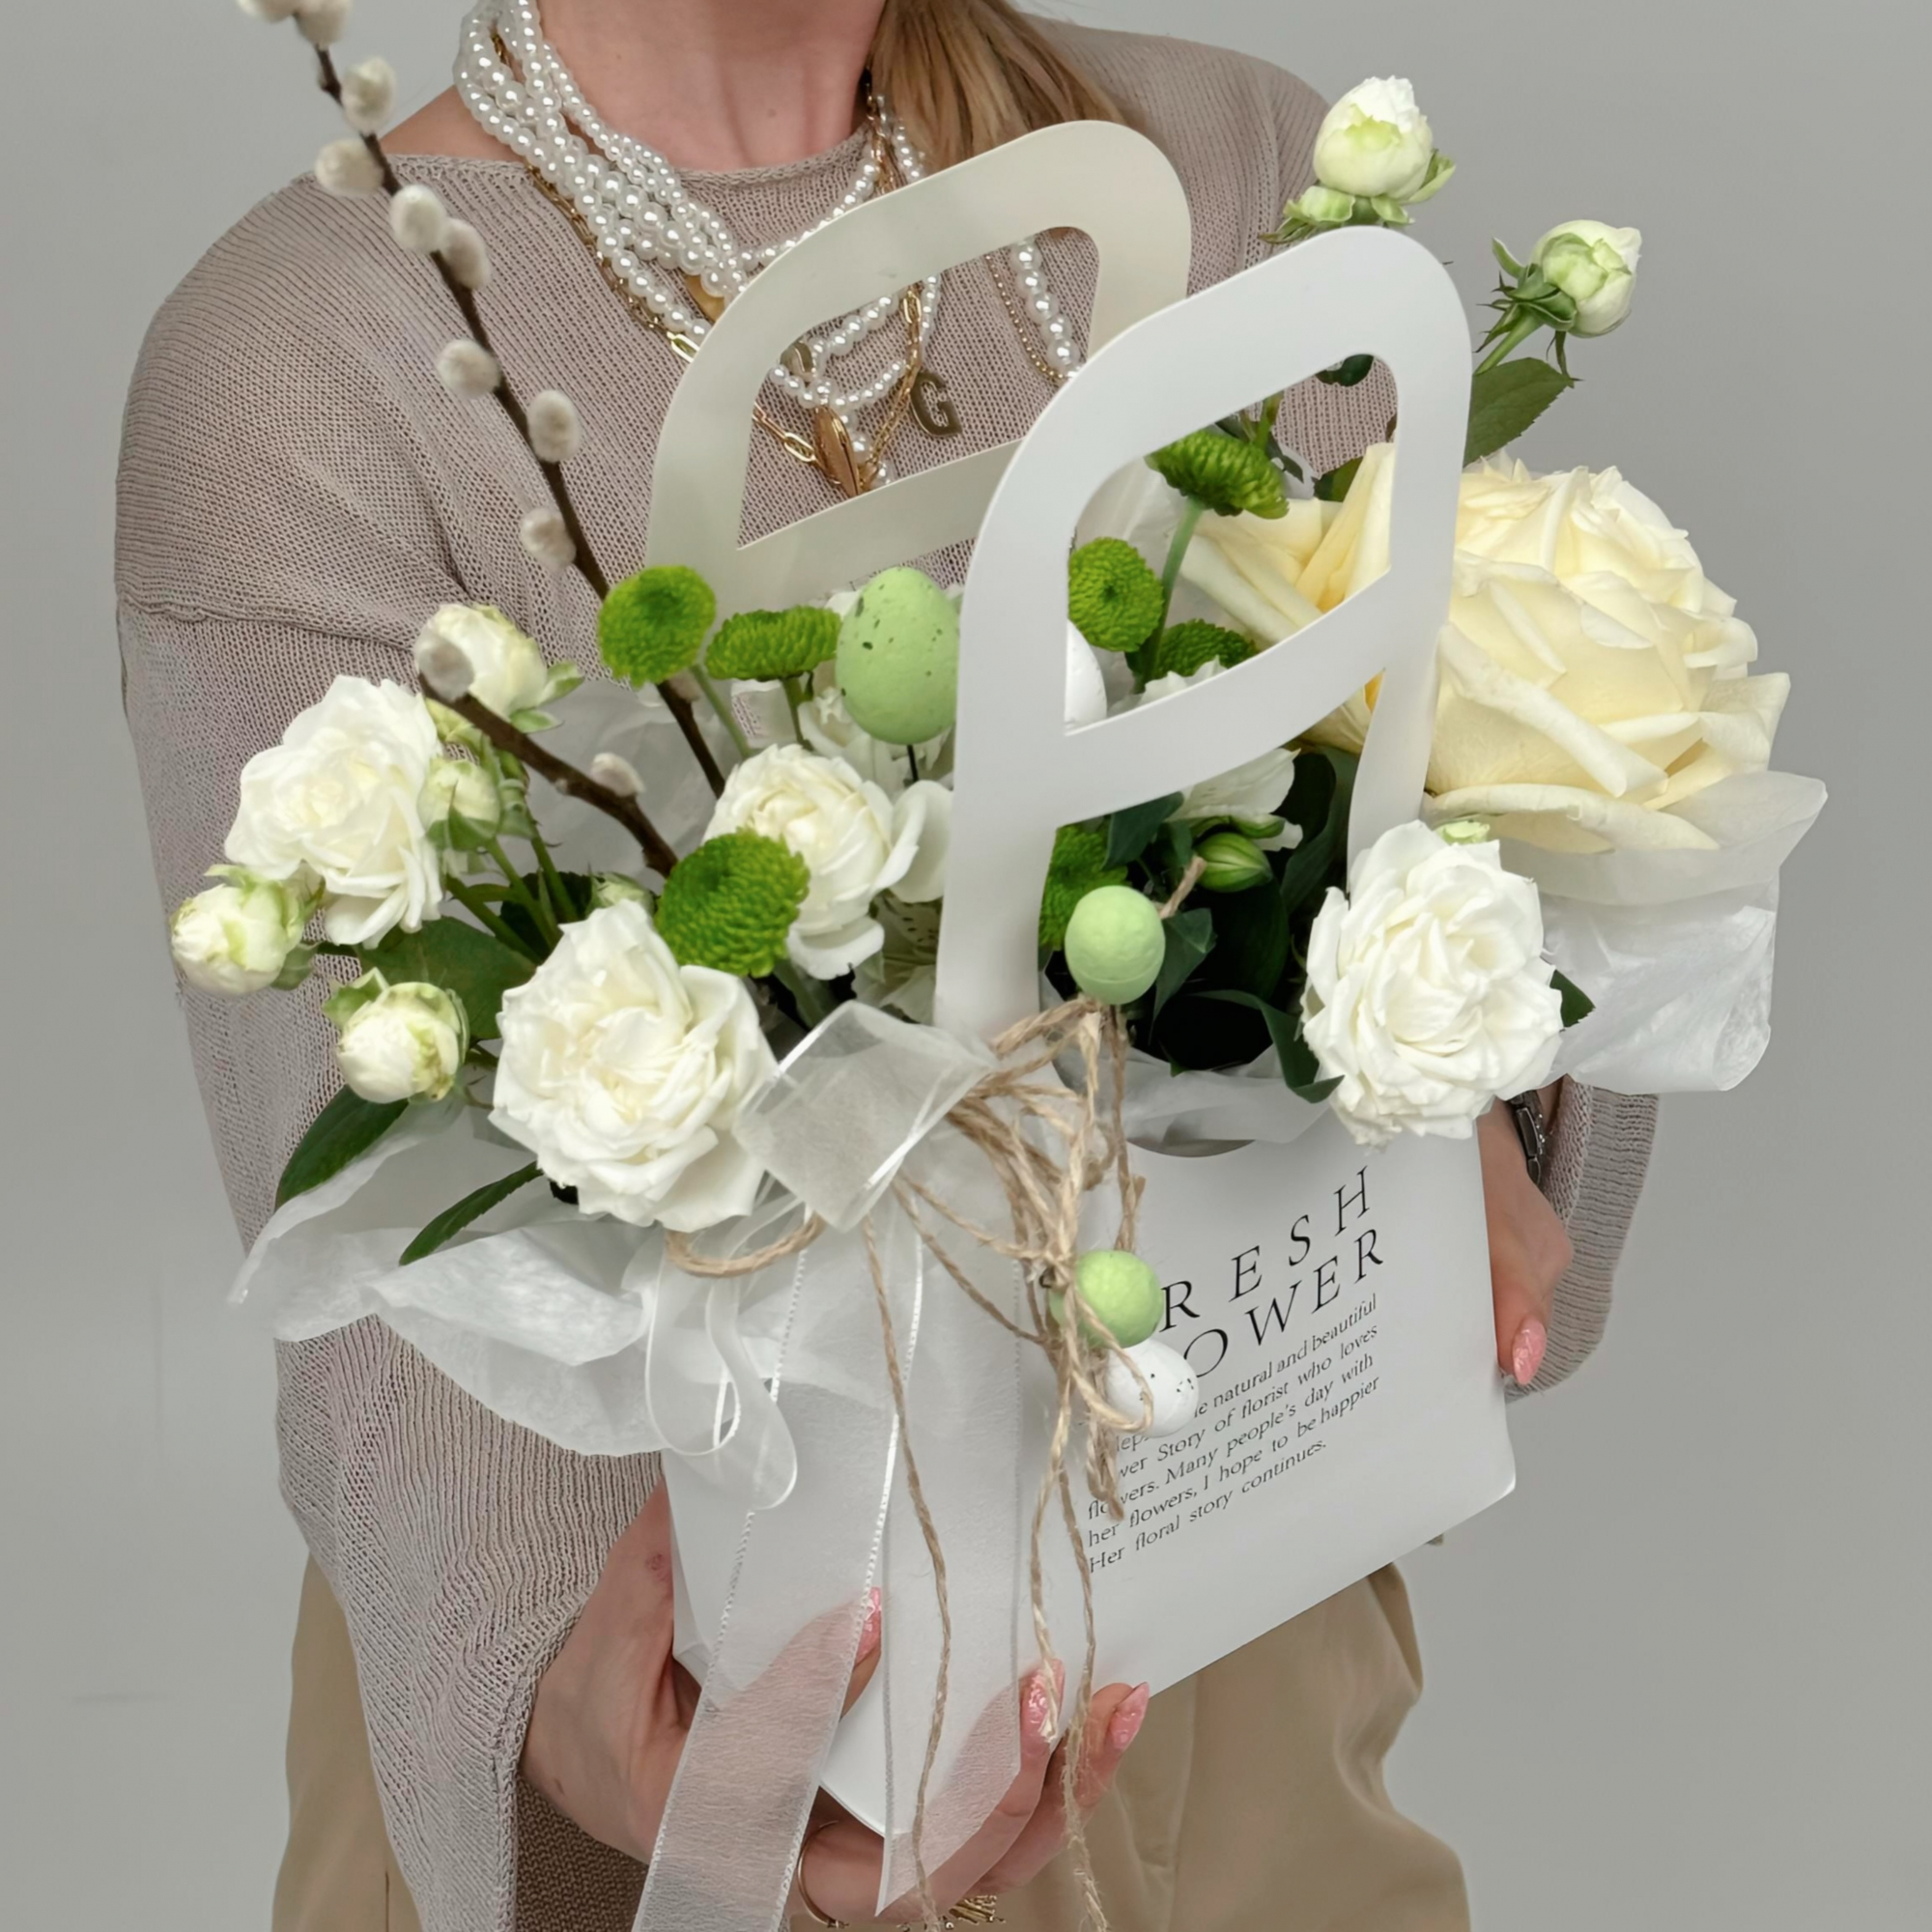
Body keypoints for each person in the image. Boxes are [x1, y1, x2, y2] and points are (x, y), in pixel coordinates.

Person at [116, 2, 1657, 1927]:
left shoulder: (1236, 168)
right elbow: (375, 1251)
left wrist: (1468, 1095)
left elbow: (1487, 813)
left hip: (1230, 1661)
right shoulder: (312, 355)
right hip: (691, 1694)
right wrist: (586, 1747)